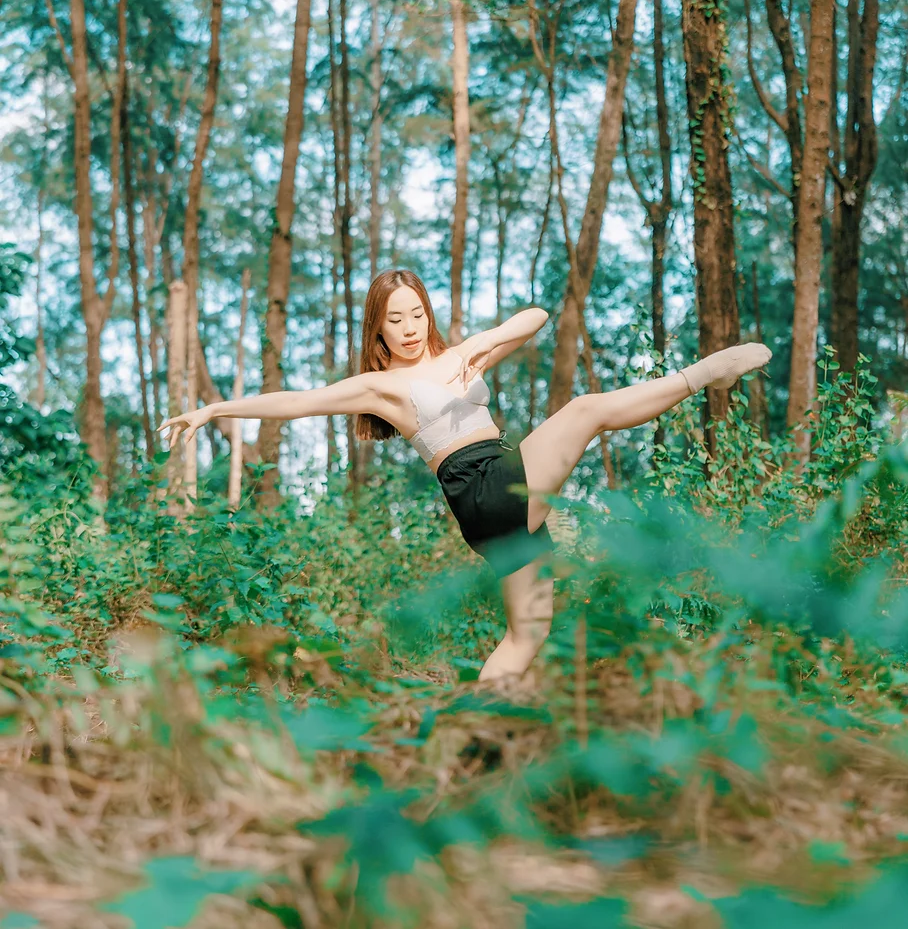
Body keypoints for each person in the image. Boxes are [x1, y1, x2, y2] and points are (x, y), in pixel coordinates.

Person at [159, 268, 771, 685]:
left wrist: (488, 341)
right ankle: (703, 375)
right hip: (482, 485)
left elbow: (536, 315)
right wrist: (216, 408)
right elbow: (298, 400)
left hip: (495, 510)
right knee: (586, 410)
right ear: (378, 329)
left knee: (525, 636)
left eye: (416, 313)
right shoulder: (384, 386)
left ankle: (473, 735)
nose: (408, 327)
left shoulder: (459, 358)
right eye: (394, 319)